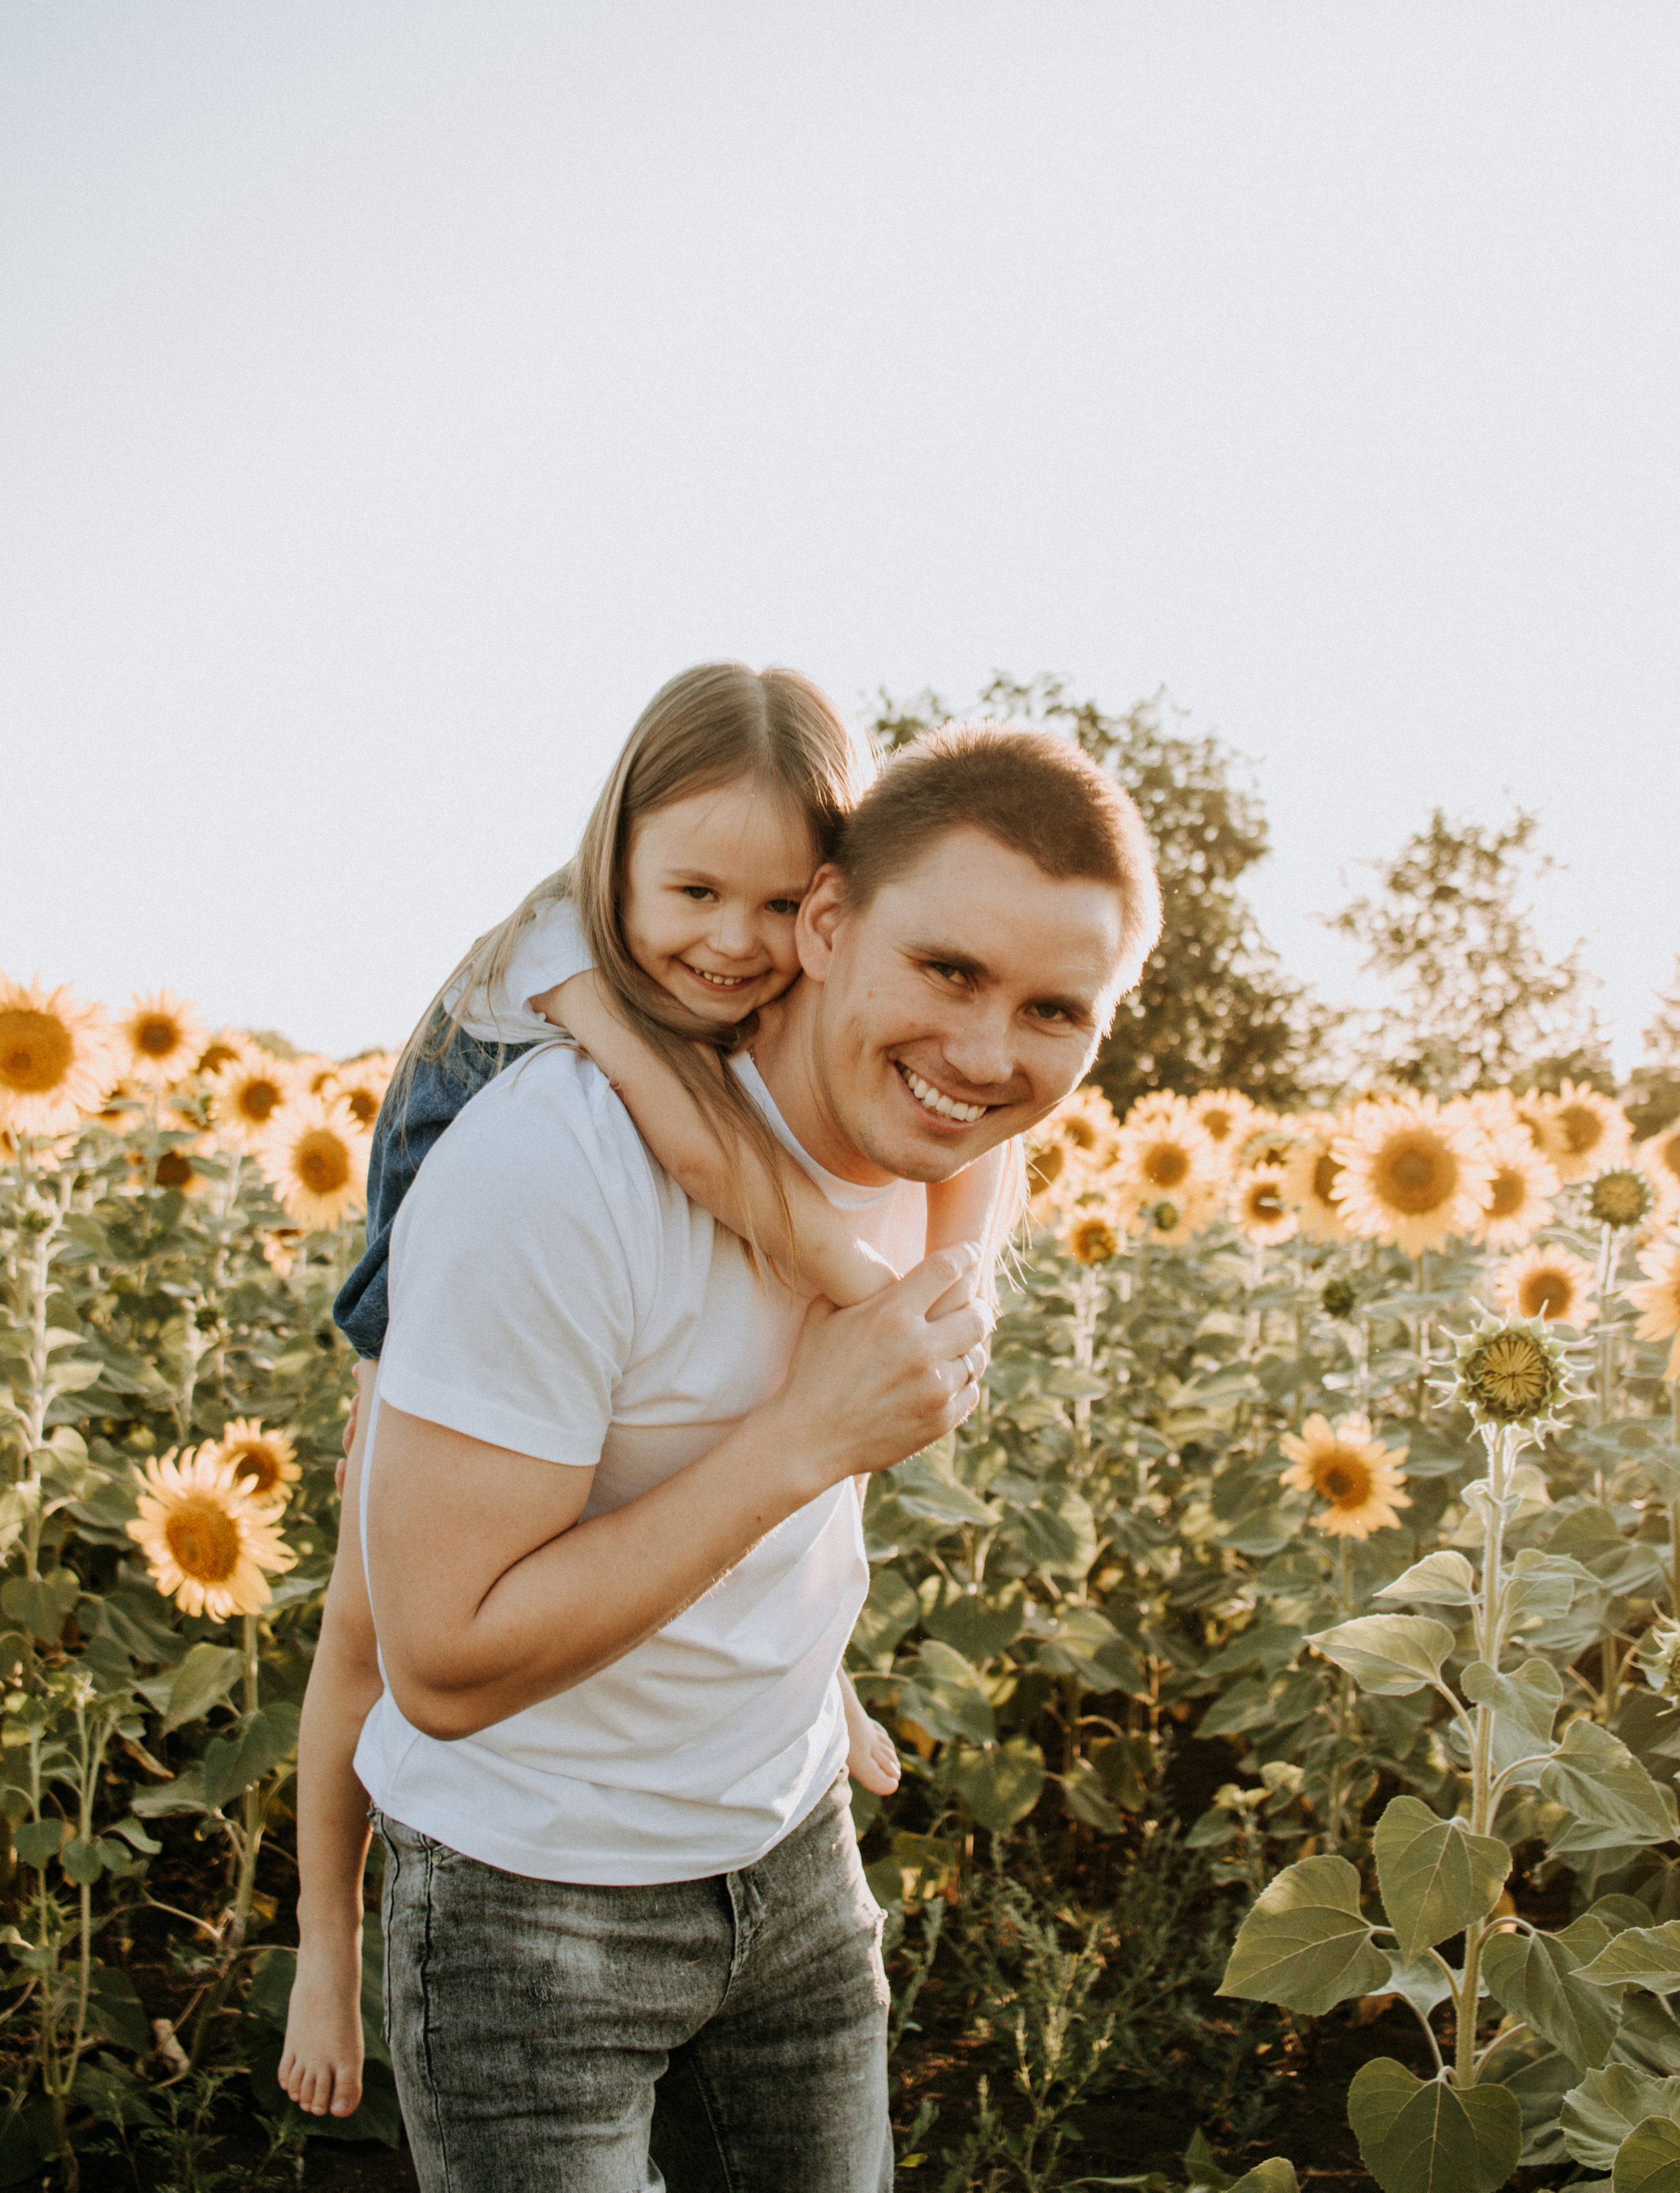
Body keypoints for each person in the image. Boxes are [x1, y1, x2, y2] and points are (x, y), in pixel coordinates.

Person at [334, 717, 1158, 2190]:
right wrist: (799, 1441)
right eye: (947, 969)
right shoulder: (556, 1172)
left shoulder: (952, 1140)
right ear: (826, 923)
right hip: (535, 1906)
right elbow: (439, 1666)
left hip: (793, 1863)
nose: (984, 1054)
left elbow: (982, 1143)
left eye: (1054, 1011)